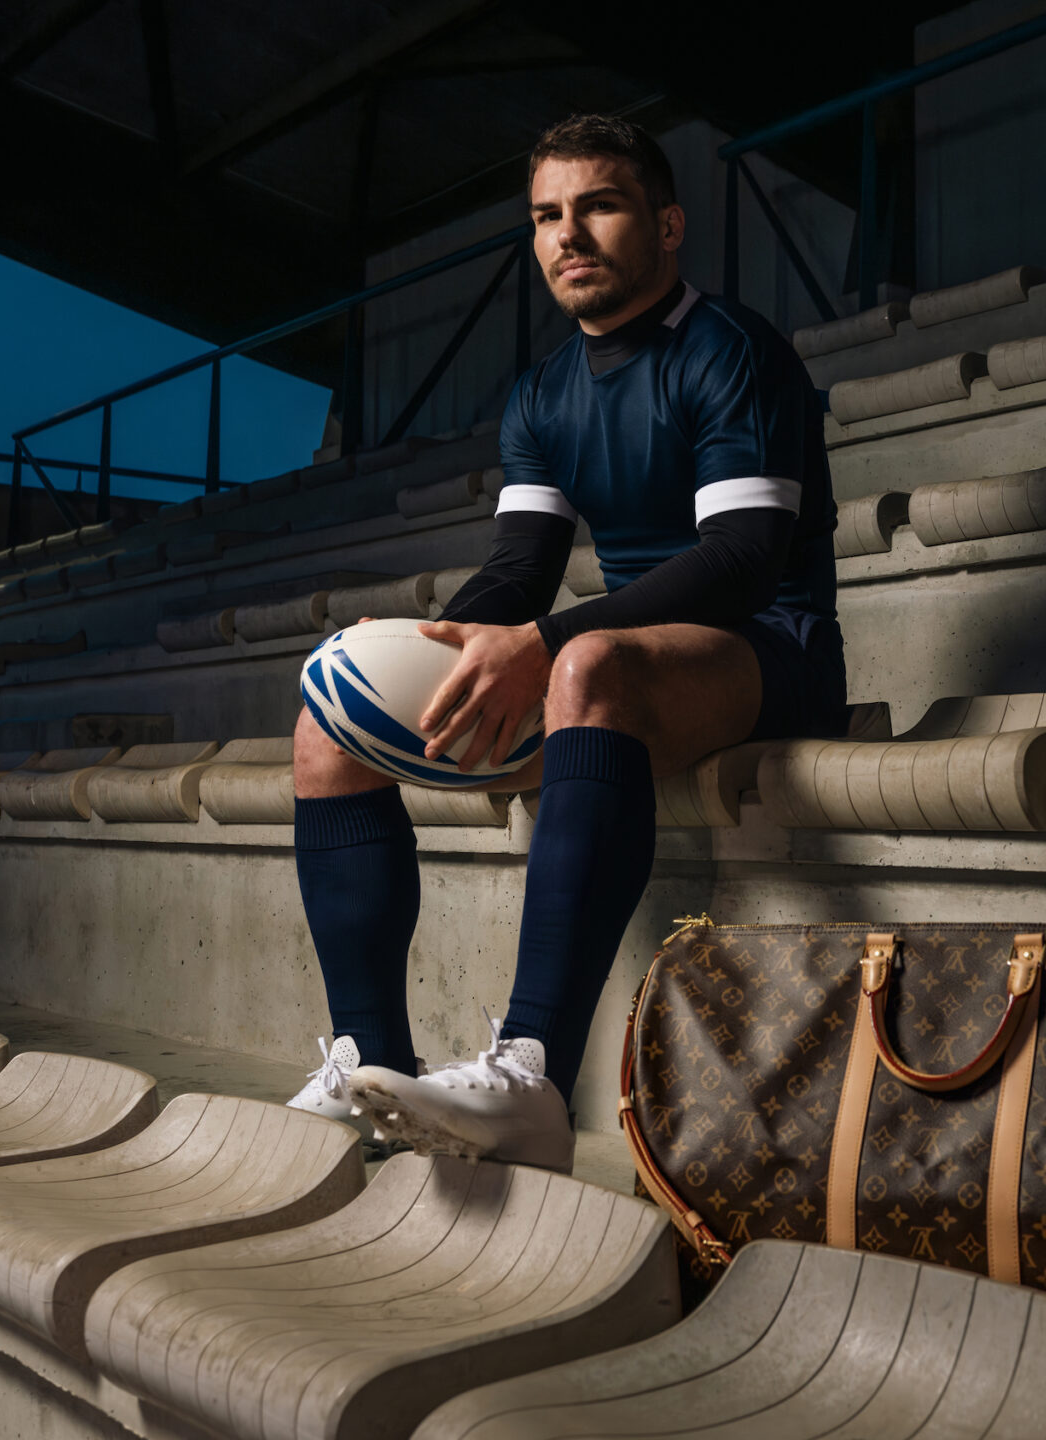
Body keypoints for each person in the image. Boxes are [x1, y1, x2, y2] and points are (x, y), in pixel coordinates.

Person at [284, 114, 843, 1171]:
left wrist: (538, 647)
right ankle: (368, 1065)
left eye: (598, 205)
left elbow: (742, 560)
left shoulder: (732, 351)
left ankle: (531, 1076)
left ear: (667, 224)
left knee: (582, 661)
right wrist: (423, 639)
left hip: (766, 650)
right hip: (624, 673)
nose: (566, 235)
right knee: (328, 722)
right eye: (546, 215)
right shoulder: (542, 394)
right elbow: (516, 573)